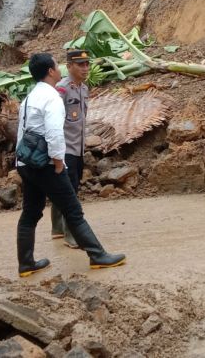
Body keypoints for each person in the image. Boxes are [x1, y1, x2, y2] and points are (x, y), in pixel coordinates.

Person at [16, 52, 125, 277]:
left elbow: (22, 133)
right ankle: (97, 255)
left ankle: (26, 264)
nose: (60, 69)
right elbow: (55, 132)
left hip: (26, 163)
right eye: (57, 66)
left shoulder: (29, 99)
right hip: (46, 164)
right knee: (73, 211)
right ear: (50, 71)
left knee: (30, 213)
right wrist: (58, 163)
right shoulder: (53, 97)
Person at [51, 49, 91, 249]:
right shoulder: (61, 90)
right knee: (70, 192)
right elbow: (54, 122)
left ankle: (57, 228)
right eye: (80, 65)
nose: (85, 68)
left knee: (64, 189)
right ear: (69, 66)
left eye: (87, 64)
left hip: (78, 147)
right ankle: (70, 234)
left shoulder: (83, 89)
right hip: (65, 149)